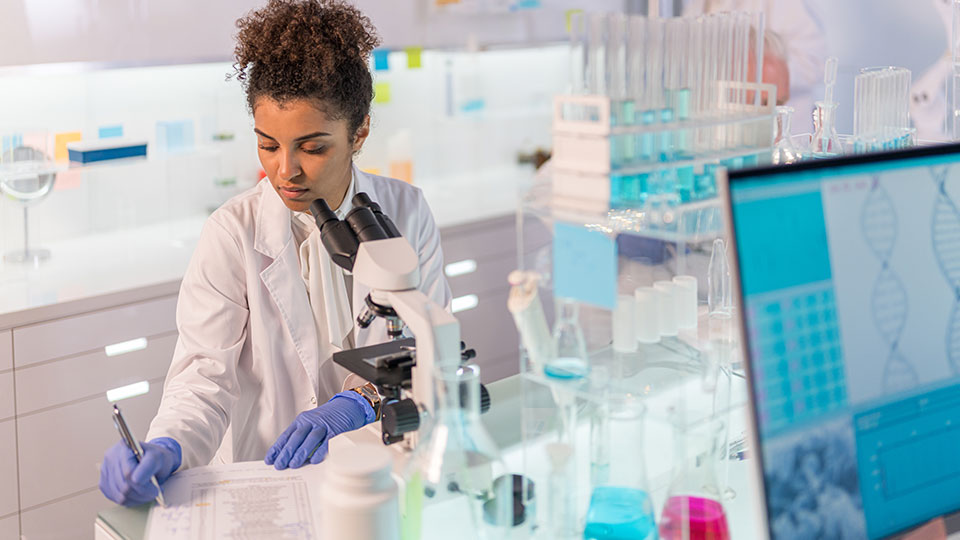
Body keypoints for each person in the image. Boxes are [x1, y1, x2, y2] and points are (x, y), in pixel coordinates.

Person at [99, 0, 451, 506]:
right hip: (268, 479)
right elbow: (204, 375)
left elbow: (427, 350)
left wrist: (358, 402)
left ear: (360, 133)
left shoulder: (406, 211)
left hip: (381, 469)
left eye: (312, 147)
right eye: (268, 144)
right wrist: (168, 444)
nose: (285, 170)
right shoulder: (231, 233)